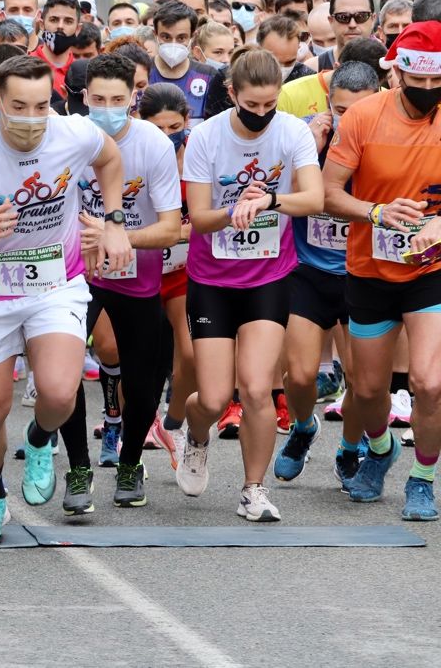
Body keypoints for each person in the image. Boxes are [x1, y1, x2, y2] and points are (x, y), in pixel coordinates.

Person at [0, 55, 132, 544]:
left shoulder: (73, 134)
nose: (31, 117)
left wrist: (113, 222)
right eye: (19, 106)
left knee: (59, 393)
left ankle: (41, 439)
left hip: (56, 282)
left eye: (42, 105)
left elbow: (109, 158)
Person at [176, 49, 323, 522]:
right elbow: (198, 217)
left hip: (269, 275)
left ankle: (252, 490)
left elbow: (315, 198)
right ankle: (194, 434)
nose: (261, 114)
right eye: (252, 104)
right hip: (212, 278)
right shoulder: (206, 136)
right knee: (215, 399)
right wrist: (232, 211)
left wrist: (270, 201)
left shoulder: (293, 131)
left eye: (270, 104)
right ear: (232, 93)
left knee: (258, 388)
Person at [323, 21, 441, 521]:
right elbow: (328, 195)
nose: (429, 94)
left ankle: (423, 477)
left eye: (440, 84)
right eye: (420, 84)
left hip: (431, 269)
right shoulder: (364, 117)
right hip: (370, 268)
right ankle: (379, 449)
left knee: (430, 383)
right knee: (368, 392)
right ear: (395, 74)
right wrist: (376, 212)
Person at [57, 53, 181, 513]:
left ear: (134, 98)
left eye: (118, 99)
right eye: (98, 99)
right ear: (84, 98)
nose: (107, 108)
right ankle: (78, 469)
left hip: (137, 276)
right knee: (64, 375)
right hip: (75, 274)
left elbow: (171, 227)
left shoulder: (152, 144)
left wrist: (118, 235)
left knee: (144, 385)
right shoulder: (66, 137)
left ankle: (130, 463)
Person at [274, 61, 381, 486]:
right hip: (308, 268)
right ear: (327, 103)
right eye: (340, 109)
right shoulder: (303, 134)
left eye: (359, 111)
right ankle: (303, 428)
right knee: (300, 375)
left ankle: (351, 445)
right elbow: (275, 191)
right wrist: (312, 149)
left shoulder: (389, 141)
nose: (347, 120)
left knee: (361, 380)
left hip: (363, 274)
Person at [138, 83, 196, 469]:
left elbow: (209, 216)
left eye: (174, 127)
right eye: (157, 129)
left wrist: (183, 230)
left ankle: (171, 423)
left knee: (192, 356)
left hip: (181, 274)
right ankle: (131, 423)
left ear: (186, 122)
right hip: (136, 271)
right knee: (132, 358)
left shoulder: (198, 158)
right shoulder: (126, 157)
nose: (166, 137)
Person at [149, 1, 214, 125]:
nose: (173, 43)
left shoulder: (209, 75)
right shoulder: (142, 73)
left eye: (181, 38)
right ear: (155, 35)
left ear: (192, 37)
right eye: (166, 37)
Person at [306, 0, 376, 72]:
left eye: (361, 16)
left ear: (373, 19)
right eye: (343, 17)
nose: (352, 24)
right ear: (331, 21)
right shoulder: (311, 69)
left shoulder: (390, 68)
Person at [31, 0, 81, 98]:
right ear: (42, 25)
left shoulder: (82, 73)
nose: (60, 26)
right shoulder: (24, 66)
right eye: (54, 20)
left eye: (68, 21)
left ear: (78, 29)